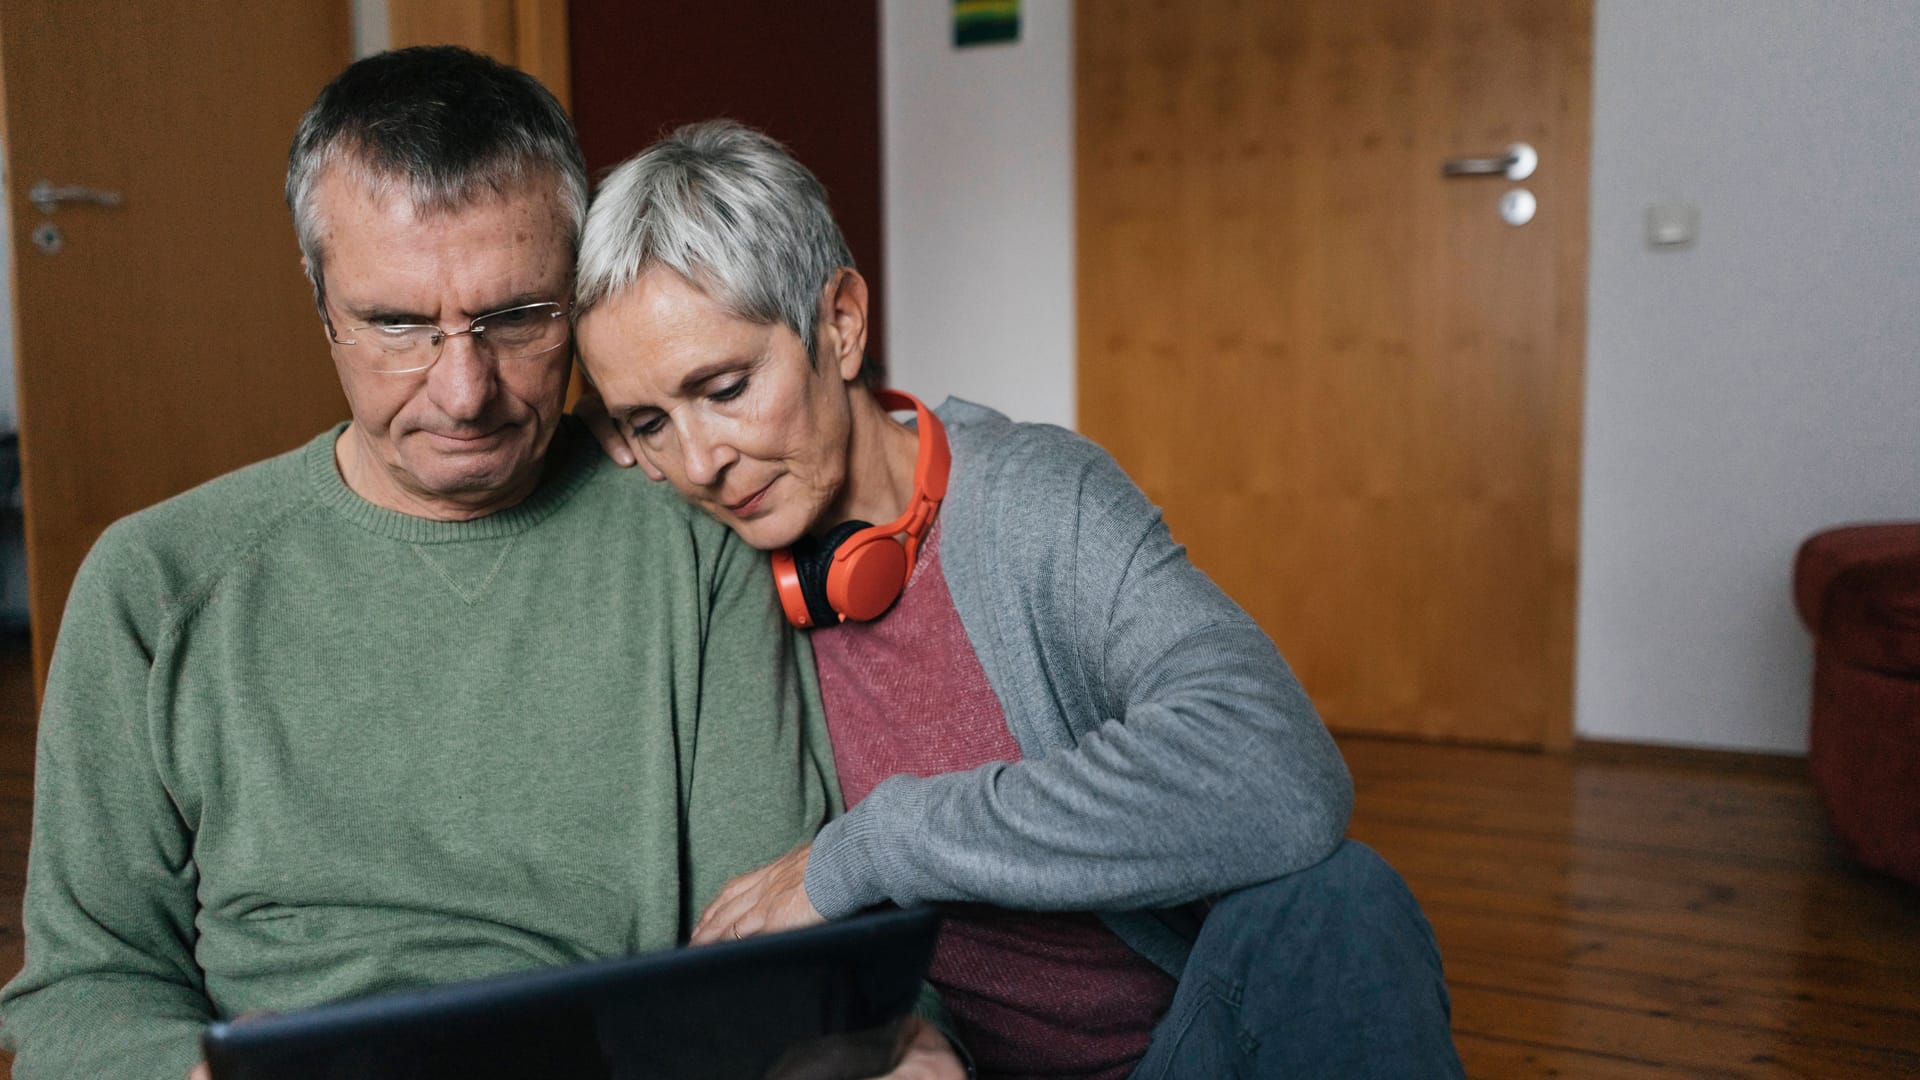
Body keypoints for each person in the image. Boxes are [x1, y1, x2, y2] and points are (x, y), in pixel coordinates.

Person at [0, 50, 960, 1080]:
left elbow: (773, 937)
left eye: (518, 319)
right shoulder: (154, 585)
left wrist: (894, 1042)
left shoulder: (695, 541)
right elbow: (82, 992)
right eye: (397, 325)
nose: (466, 392)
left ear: (581, 297)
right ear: (322, 303)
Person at [572, 120, 1467, 1078]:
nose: (702, 461)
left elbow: (1278, 769)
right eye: (649, 422)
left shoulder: (1039, 502)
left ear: (838, 324)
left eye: (727, 386)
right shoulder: (704, 564)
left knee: (1340, 898)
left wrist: (882, 843)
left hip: (1180, 1053)